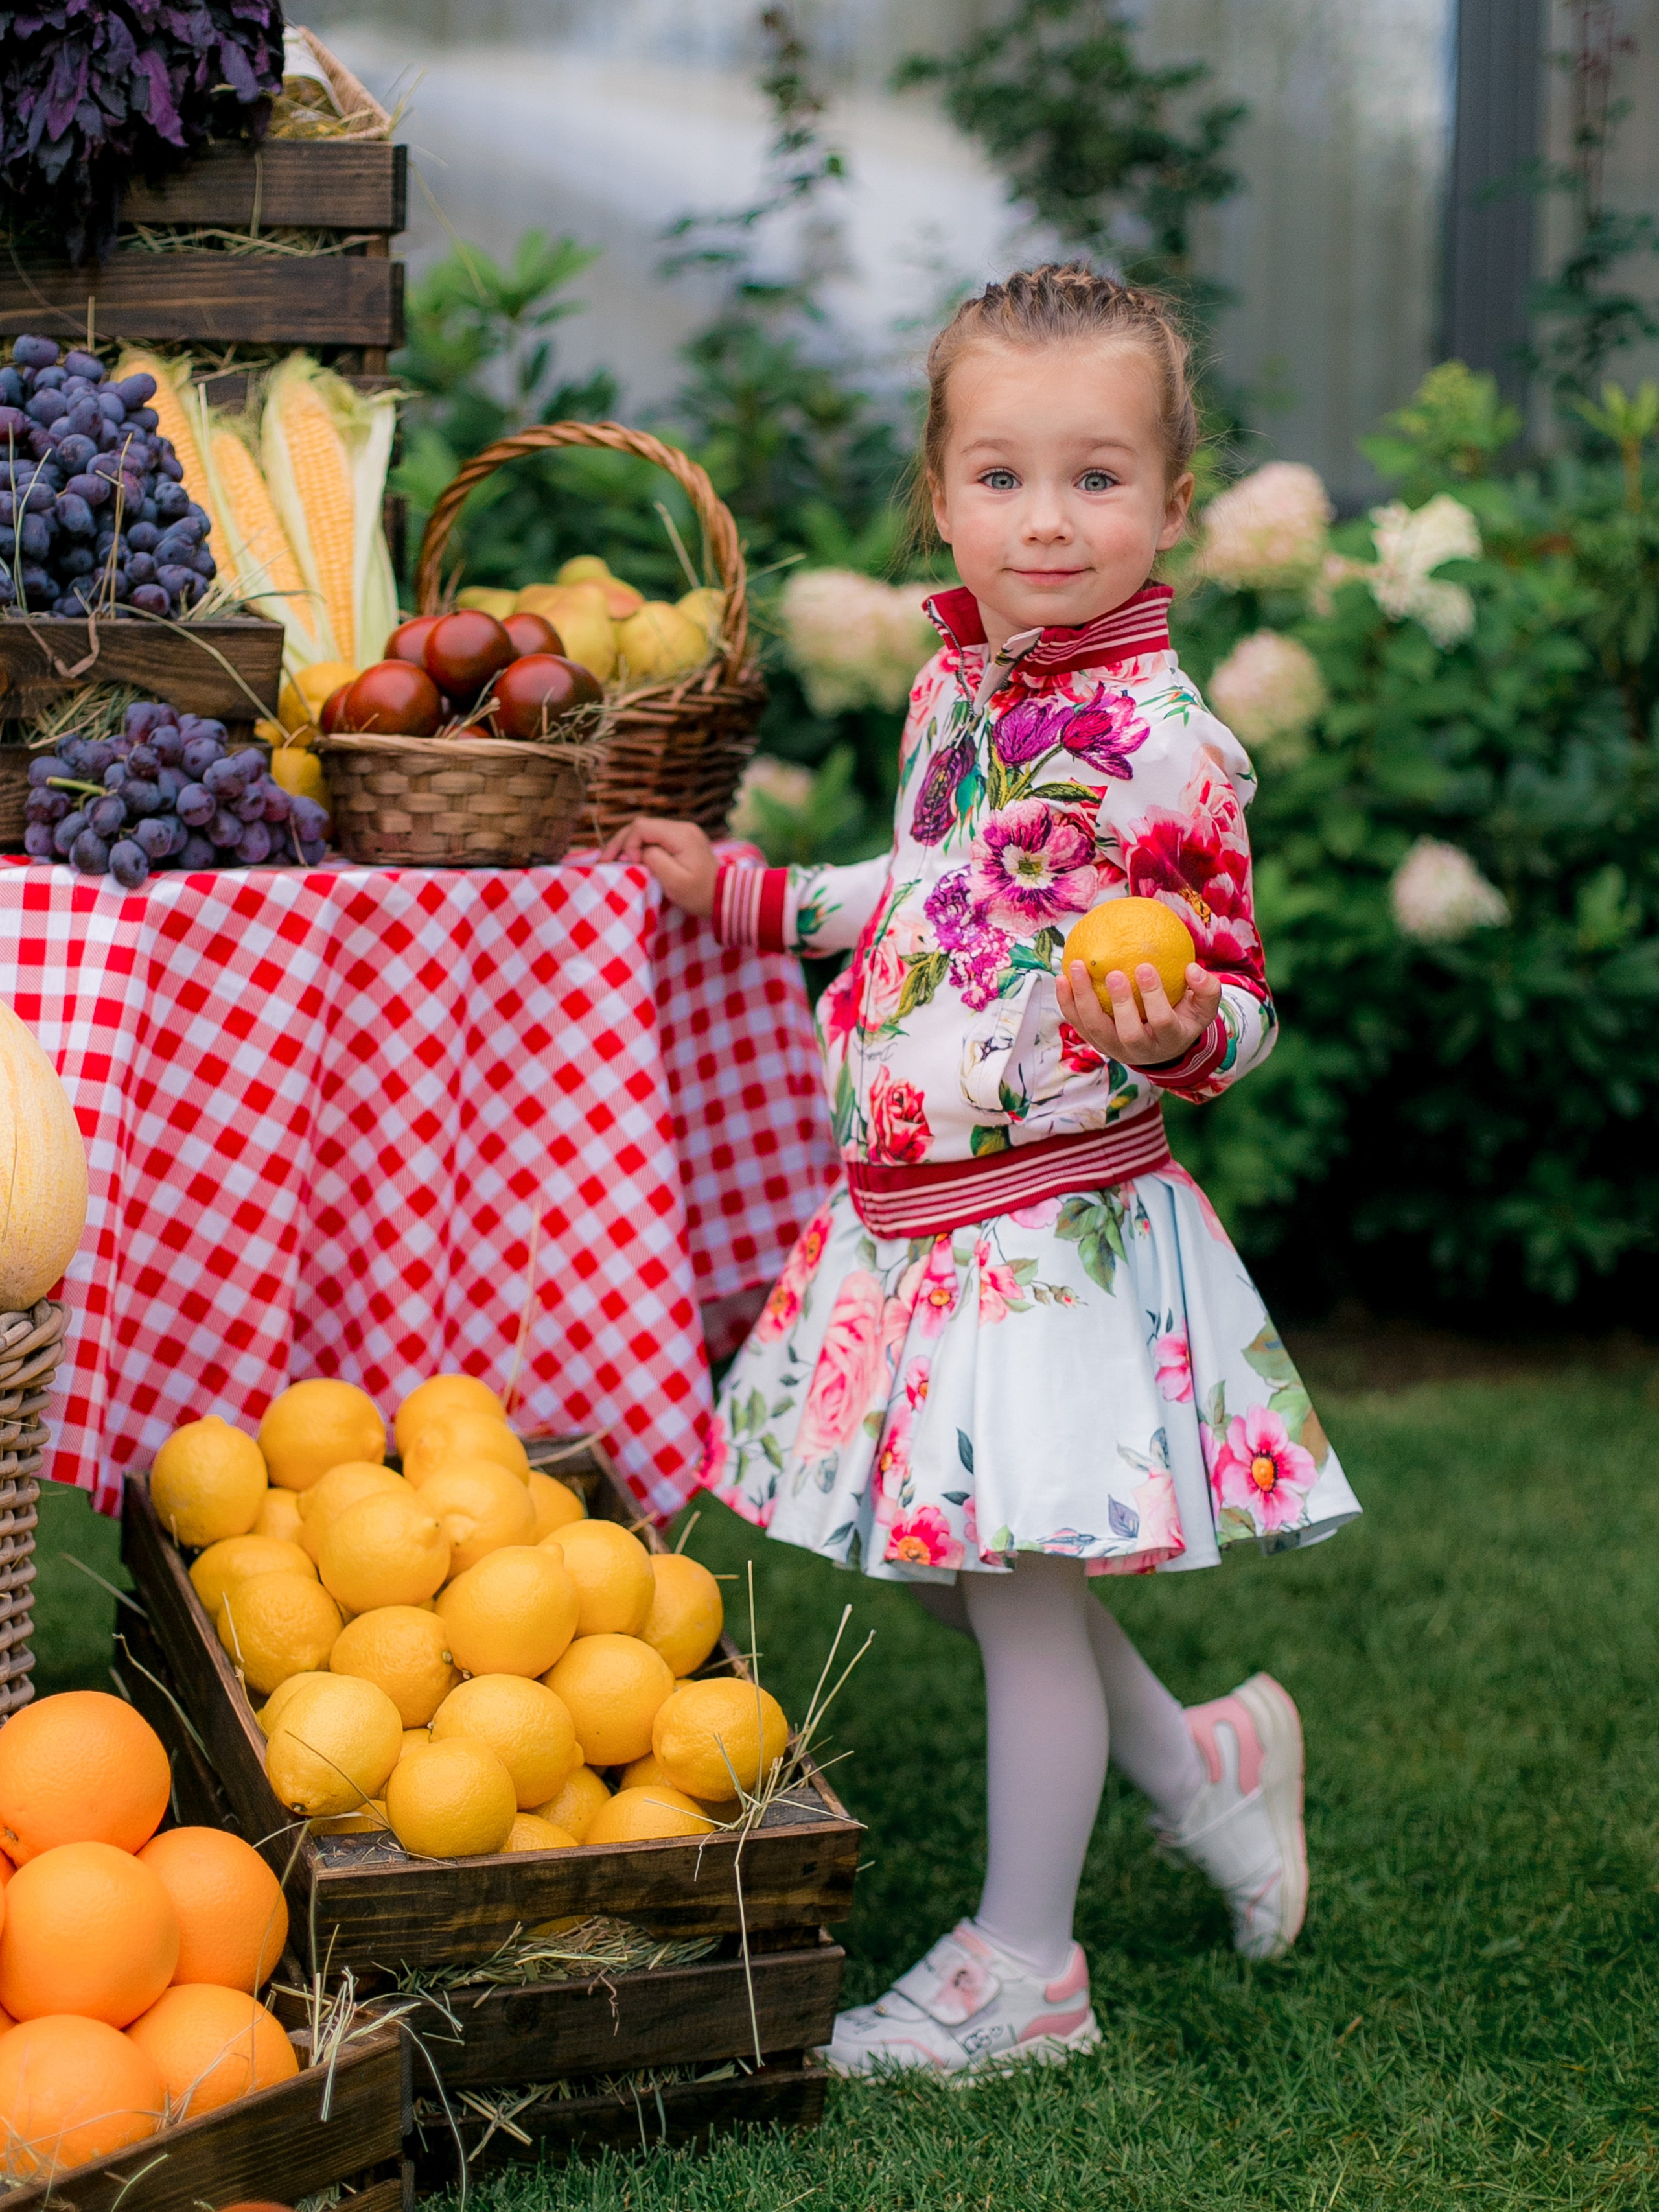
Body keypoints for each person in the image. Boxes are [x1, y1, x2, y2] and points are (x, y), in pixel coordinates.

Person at [604, 264, 1361, 2079]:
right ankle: (1203, 1762)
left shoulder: (1167, 745)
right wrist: (754, 896)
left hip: (1049, 1233)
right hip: (910, 1226)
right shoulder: (964, 681)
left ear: (1173, 504)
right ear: (940, 495)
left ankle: (1027, 1971)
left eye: (1098, 477)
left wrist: (1177, 1024)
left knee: (1009, 1590)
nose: (1048, 519)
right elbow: (925, 896)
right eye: (1003, 476)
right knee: (959, 1564)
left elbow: (1241, 998)